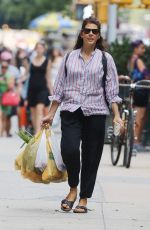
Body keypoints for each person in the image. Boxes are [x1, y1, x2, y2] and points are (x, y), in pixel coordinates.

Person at [41, 17, 123, 213]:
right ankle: (72, 188)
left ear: (99, 35)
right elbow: (59, 87)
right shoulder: (70, 57)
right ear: (81, 33)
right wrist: (51, 113)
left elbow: (112, 90)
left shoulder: (105, 59)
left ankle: (83, 197)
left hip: (95, 111)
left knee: (91, 156)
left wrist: (117, 116)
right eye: (87, 30)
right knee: (69, 149)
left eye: (95, 31)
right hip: (71, 110)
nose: (91, 34)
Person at [128, 40, 150, 152]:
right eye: (141, 48)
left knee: (136, 116)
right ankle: (135, 142)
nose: (143, 50)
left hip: (135, 89)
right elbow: (146, 74)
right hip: (141, 90)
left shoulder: (131, 60)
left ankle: (134, 141)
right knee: (139, 117)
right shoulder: (138, 60)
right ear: (135, 49)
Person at [27, 41, 52, 134]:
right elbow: (26, 74)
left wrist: (51, 91)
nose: (39, 50)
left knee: (39, 109)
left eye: (41, 48)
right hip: (32, 88)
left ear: (44, 49)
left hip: (42, 88)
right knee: (32, 111)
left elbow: (48, 77)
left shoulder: (47, 61)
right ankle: (36, 130)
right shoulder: (31, 60)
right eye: (37, 48)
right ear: (35, 49)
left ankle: (37, 133)